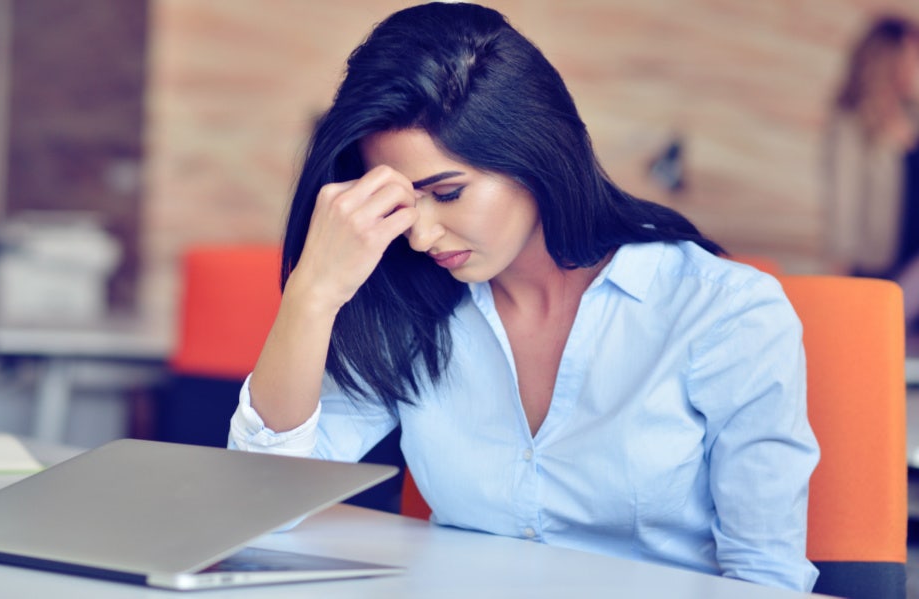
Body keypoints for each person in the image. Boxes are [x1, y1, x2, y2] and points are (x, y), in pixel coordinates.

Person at [228, 2, 817, 592]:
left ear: (535, 155)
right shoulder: (412, 307)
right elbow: (261, 508)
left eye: (449, 193)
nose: (421, 234)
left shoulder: (723, 313)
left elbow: (766, 578)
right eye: (402, 204)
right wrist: (312, 293)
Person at [823, 15, 919, 320]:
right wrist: (840, 272)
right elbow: (844, 202)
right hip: (879, 265)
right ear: (892, 57)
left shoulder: (913, 117)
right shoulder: (852, 122)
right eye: (913, 52)